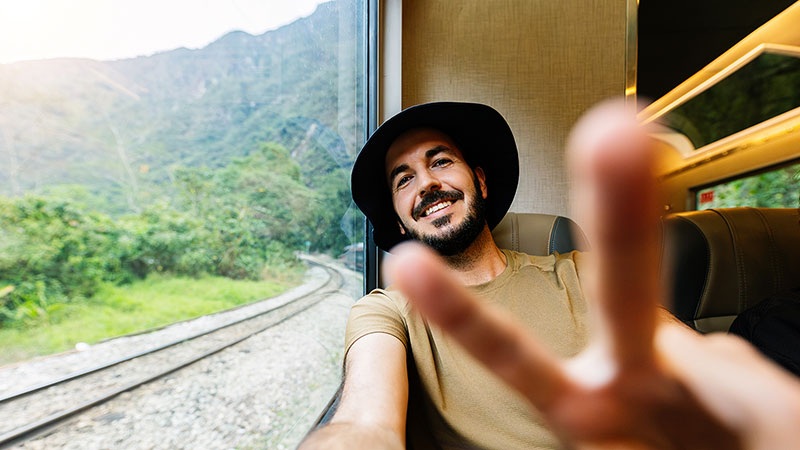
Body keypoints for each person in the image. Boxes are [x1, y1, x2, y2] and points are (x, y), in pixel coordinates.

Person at [300, 101, 800, 449]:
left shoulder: (581, 273)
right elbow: (366, 421)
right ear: (399, 216)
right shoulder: (385, 310)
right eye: (403, 179)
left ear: (481, 180)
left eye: (441, 161)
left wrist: (741, 403)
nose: (427, 183)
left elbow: (681, 354)